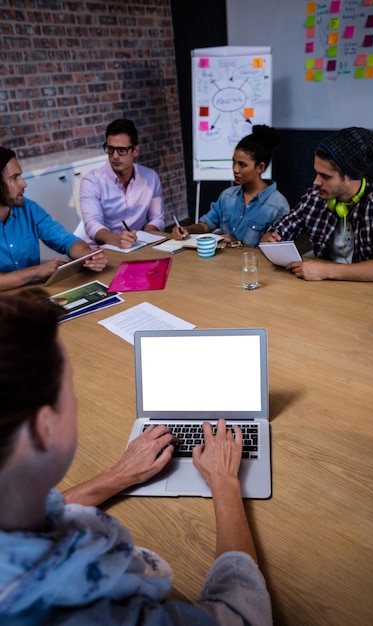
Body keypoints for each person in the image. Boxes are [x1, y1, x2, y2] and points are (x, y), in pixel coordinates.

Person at [0, 288, 272, 626]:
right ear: (44, 428)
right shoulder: (95, 613)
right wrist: (225, 483)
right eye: (70, 387)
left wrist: (116, 476)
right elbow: (241, 617)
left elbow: (32, 521)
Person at [261, 126, 373, 282]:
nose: (316, 182)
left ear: (351, 176)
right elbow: (275, 232)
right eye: (316, 172)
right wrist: (271, 240)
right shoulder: (315, 196)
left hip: (368, 293)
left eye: (325, 176)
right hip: (325, 290)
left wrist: (326, 271)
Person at [0, 147, 107, 291]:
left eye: (21, 176)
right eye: (14, 178)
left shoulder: (29, 208)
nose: (24, 183)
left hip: (32, 295)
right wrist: (36, 272)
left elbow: (65, 240)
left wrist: (88, 256)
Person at [172, 125, 289, 247]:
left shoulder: (277, 206)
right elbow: (205, 225)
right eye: (234, 162)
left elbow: (274, 250)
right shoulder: (228, 196)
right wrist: (186, 229)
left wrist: (237, 244)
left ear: (260, 167)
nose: (235, 169)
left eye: (242, 165)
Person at [80, 118, 165, 249]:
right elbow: (92, 224)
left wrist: (145, 238)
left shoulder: (150, 177)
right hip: (100, 250)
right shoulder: (92, 181)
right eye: (110, 149)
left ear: (135, 151)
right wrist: (117, 239)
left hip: (136, 246)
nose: (115, 156)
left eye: (121, 150)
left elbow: (157, 219)